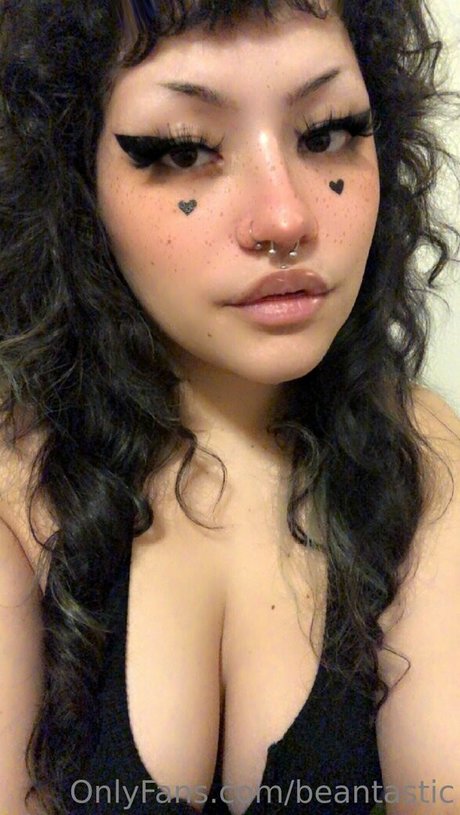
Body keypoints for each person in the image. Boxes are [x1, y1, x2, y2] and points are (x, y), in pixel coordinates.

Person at [0, 0, 459, 813]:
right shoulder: (14, 500)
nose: (286, 217)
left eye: (327, 132)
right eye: (184, 149)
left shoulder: (424, 468)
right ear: (70, 179)